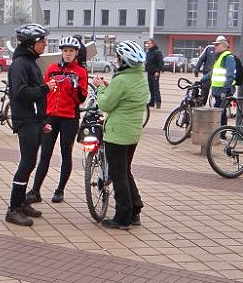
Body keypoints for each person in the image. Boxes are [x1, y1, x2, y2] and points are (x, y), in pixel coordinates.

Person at [91, 40, 149, 230]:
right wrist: (110, 85)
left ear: (124, 61)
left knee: (118, 175)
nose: (116, 60)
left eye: (118, 58)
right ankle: (135, 209)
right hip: (133, 134)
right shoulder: (140, 78)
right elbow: (124, 96)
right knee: (126, 171)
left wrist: (100, 86)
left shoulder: (122, 80)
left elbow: (105, 104)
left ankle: (122, 217)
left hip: (117, 135)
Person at [26, 36, 88, 204]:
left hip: (69, 118)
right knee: (45, 154)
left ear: (76, 53)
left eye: (71, 51)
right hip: (51, 117)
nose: (68, 54)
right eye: (65, 51)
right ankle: (35, 190)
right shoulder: (52, 69)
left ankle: (60, 190)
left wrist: (75, 86)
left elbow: (81, 99)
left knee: (65, 154)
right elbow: (43, 90)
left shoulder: (81, 72)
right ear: (61, 52)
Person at [5, 23, 57, 227]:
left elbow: (34, 95)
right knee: (26, 163)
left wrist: (42, 119)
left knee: (30, 163)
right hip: (25, 120)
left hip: (33, 119)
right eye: (42, 41)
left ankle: (22, 203)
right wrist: (46, 88)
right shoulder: (20, 64)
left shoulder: (30, 61)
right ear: (31, 43)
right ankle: (13, 209)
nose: (45, 44)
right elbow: (20, 92)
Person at [210, 36, 236, 127]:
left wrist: (225, 90)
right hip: (218, 90)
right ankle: (219, 133)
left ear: (223, 46)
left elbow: (229, 75)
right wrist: (201, 81)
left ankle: (222, 134)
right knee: (219, 112)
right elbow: (213, 73)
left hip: (224, 90)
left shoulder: (228, 57)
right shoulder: (220, 57)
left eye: (217, 45)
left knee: (221, 113)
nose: (215, 47)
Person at [144, 38, 163, 109]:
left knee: (155, 88)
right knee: (150, 88)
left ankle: (158, 102)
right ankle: (152, 102)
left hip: (155, 73)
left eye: (149, 43)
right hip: (149, 72)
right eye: (147, 44)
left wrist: (158, 71)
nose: (147, 45)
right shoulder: (148, 53)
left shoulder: (157, 52)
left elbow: (160, 62)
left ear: (153, 44)